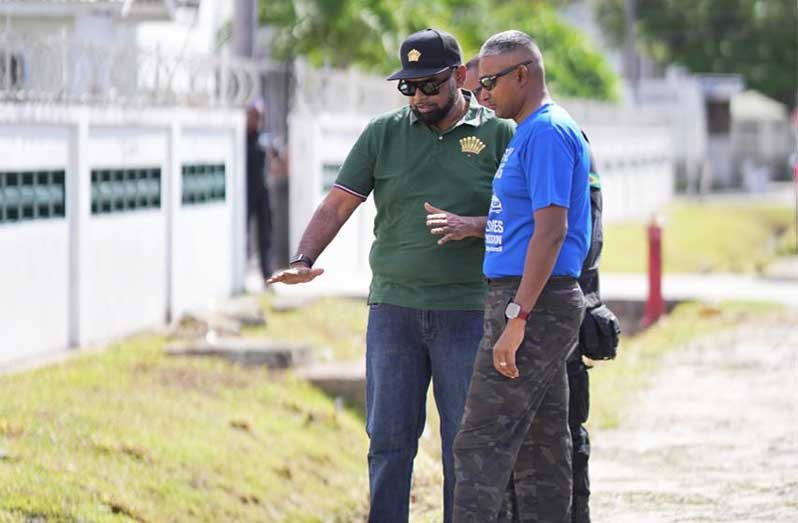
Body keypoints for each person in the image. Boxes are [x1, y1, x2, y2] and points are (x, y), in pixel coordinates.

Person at [267, 28, 515, 523]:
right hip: (393, 313)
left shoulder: (498, 136)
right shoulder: (383, 133)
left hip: (466, 312)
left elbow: (522, 218)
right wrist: (302, 257)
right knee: (388, 443)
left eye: (430, 85)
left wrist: (474, 226)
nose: (419, 96)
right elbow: (339, 203)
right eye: (409, 86)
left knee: (463, 447)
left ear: (460, 77)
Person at [452, 30, 591, 522]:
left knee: (479, 443)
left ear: (523, 75)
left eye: (489, 82)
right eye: (477, 86)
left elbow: (551, 231)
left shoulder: (548, 132)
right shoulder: (529, 132)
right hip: (532, 298)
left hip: (535, 300)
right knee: (541, 447)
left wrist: (518, 315)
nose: (483, 95)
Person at [246, 98, 273, 279]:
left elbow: (278, 157)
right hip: (245, 193)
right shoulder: (240, 138)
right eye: (254, 116)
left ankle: (267, 275)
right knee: (243, 234)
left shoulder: (264, 138)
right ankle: (243, 272)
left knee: (265, 234)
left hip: (263, 192)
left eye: (260, 117)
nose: (257, 120)